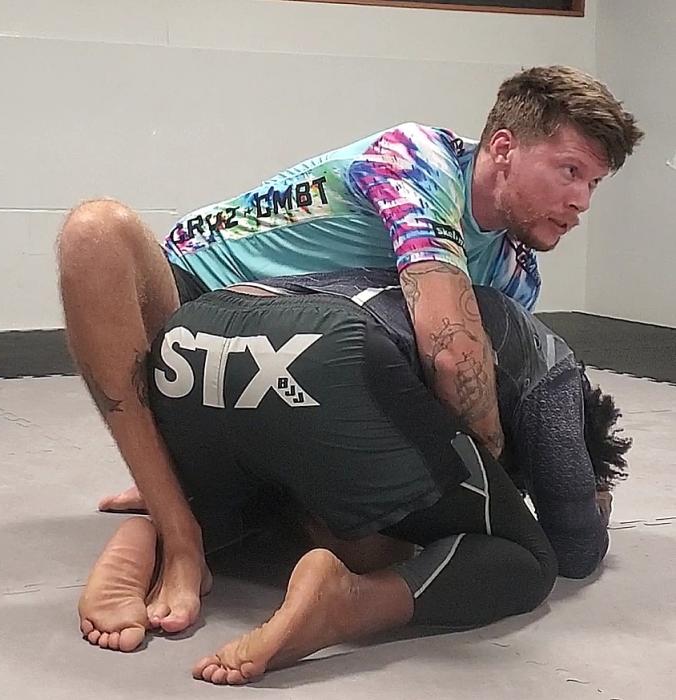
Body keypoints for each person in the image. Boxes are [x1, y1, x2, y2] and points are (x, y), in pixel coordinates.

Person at [59, 65, 642, 635]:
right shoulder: (419, 160)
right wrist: (487, 505)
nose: (581, 201)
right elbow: (452, 355)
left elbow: (455, 388)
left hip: (289, 374)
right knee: (96, 232)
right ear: (504, 148)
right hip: (189, 311)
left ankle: (194, 495)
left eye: (593, 183)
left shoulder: (515, 269)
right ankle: (176, 524)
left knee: (378, 529)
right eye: (570, 171)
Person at [78, 268, 631, 685]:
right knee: (531, 561)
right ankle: (352, 602)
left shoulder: (416, 282)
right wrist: (593, 500)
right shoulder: (556, 366)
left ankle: (162, 530)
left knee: (289, 495)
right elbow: (576, 545)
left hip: (195, 335)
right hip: (325, 352)